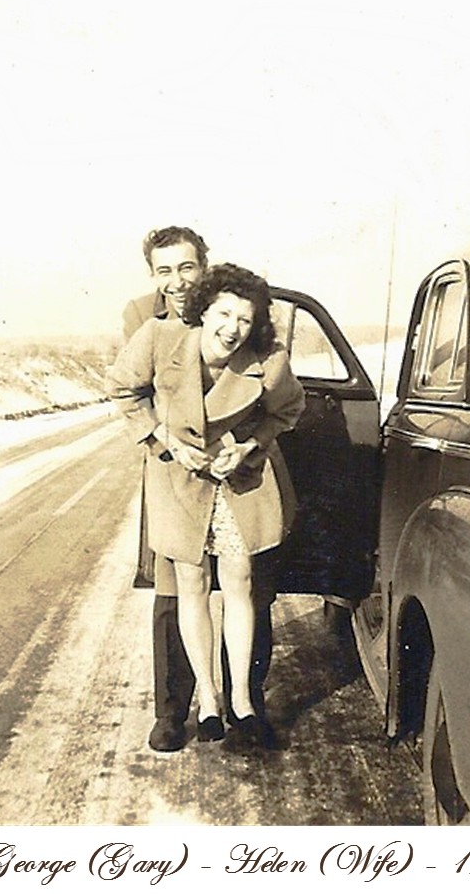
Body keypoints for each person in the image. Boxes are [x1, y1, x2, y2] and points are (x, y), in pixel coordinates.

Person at [107, 264, 305, 749]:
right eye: (223, 314)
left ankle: (242, 701)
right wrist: (165, 439)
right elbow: (123, 389)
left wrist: (249, 445)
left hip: (239, 481)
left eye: (244, 319)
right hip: (178, 481)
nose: (232, 328)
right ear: (204, 311)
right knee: (191, 586)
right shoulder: (159, 338)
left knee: (240, 584)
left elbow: (288, 410)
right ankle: (209, 701)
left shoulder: (270, 360)